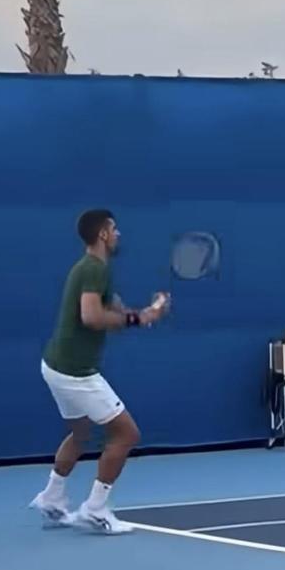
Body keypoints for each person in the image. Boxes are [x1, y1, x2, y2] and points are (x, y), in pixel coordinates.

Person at [29, 209, 170, 534]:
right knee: (126, 434)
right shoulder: (94, 269)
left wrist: (148, 313)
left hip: (55, 366)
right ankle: (94, 509)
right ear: (103, 234)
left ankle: (51, 497)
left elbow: (115, 313)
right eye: (114, 229)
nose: (119, 234)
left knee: (81, 434)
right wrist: (137, 318)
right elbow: (92, 317)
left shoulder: (91, 269)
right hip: (75, 372)